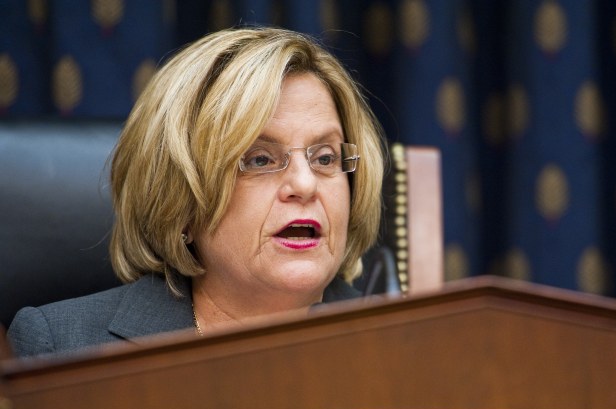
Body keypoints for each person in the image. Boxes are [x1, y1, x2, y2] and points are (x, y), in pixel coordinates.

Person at [8, 27, 385, 357]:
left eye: (324, 158)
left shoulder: (400, 342)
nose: (305, 185)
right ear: (182, 200)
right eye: (259, 159)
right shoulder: (60, 348)